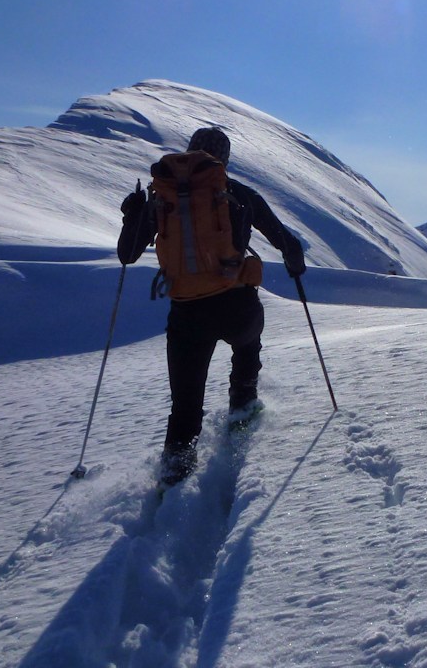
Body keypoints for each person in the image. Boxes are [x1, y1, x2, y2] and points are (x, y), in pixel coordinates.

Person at [117, 126, 306, 485]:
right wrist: (295, 268)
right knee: (247, 346)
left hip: (187, 315)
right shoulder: (240, 194)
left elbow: (127, 255)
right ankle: (242, 409)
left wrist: (134, 215)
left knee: (185, 408)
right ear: (226, 160)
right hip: (237, 307)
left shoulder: (163, 198)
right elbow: (288, 245)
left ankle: (173, 479)